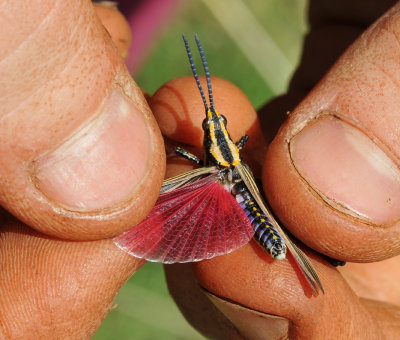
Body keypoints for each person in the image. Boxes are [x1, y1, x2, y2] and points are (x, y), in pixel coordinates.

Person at [1, 1, 399, 339]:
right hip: (235, 188)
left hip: (260, 216)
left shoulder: (219, 161)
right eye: (214, 129)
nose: (213, 127)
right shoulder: (222, 159)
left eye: (217, 128)